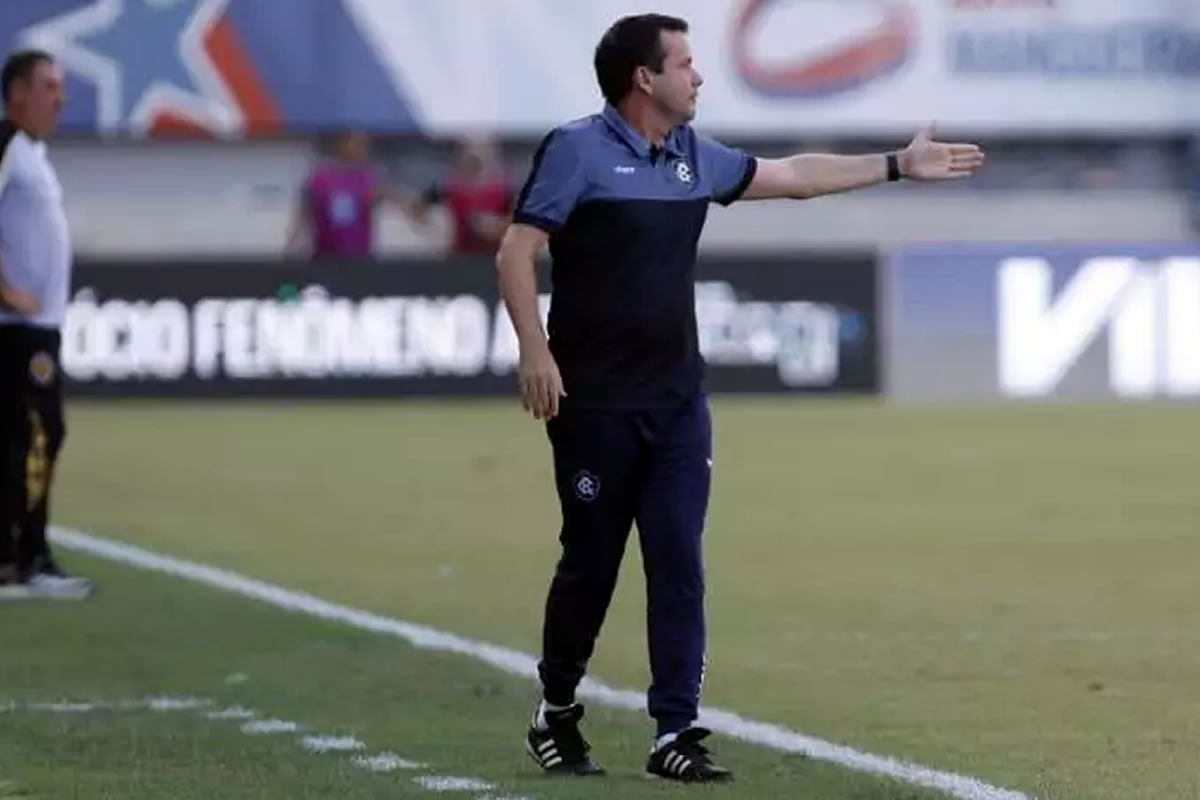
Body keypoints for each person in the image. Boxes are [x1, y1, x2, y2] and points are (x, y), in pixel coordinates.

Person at [496, 14, 984, 783]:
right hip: (593, 405)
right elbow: (516, 251)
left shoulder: (693, 156)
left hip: (677, 403)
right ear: (644, 79)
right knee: (591, 564)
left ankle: (674, 733)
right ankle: (556, 710)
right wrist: (534, 348)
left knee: (679, 564)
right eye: (685, 63)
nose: (698, 76)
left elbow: (792, 177)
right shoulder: (576, 150)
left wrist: (896, 164)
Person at [0, 50, 93, 601]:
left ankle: (12, 555)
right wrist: (6, 288)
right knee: (40, 431)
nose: (61, 98)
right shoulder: (8, 143)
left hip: (37, 324)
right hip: (19, 327)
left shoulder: (33, 153)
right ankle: (28, 556)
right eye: (49, 86)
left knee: (21, 434)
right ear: (17, 92)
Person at [286, 130, 416, 259]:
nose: (361, 150)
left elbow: (395, 196)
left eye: (363, 145)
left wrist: (414, 209)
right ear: (342, 144)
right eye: (357, 144)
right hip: (325, 255)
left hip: (359, 256)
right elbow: (303, 215)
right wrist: (292, 246)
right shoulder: (320, 178)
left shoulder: (368, 177)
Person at [412, 136, 515, 256]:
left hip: (494, 256)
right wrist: (433, 229)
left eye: (482, 150)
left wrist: (496, 225)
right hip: (461, 254)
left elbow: (519, 221)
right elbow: (418, 207)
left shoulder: (504, 188)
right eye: (470, 155)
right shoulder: (450, 186)